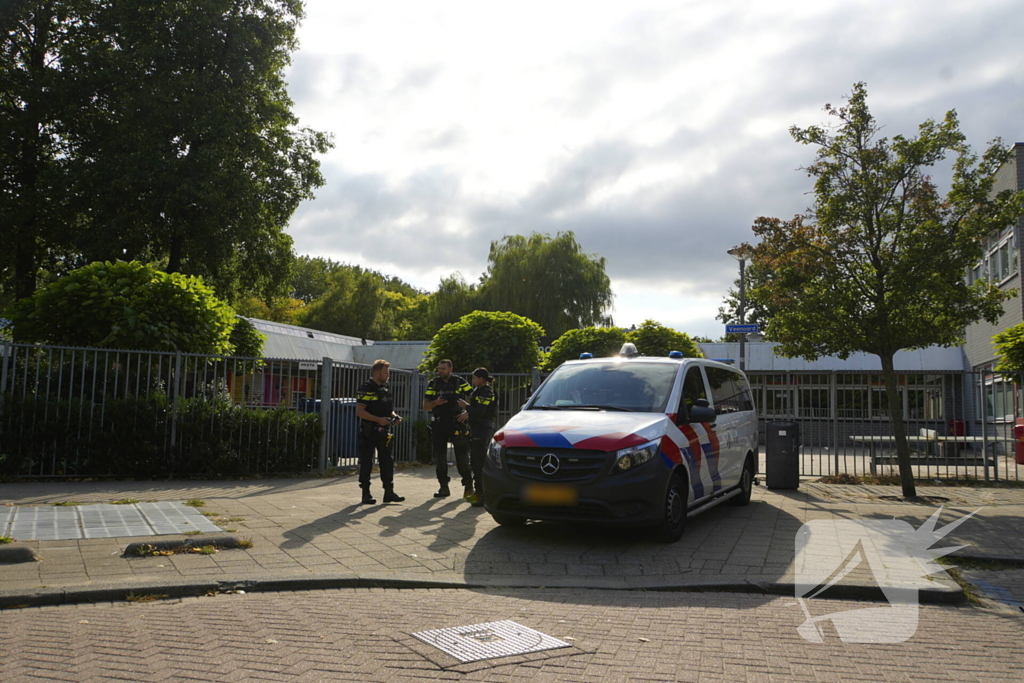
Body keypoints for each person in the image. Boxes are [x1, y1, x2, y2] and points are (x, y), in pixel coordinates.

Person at [354, 359, 405, 505]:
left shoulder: (385, 388)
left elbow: (389, 410)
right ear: (377, 373)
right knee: (366, 462)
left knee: (387, 461)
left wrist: (395, 417)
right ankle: (366, 493)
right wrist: (378, 420)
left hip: (384, 432)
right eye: (386, 372)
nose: (388, 375)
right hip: (369, 432)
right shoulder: (366, 388)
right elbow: (360, 411)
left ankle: (389, 492)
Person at [422, 359, 472, 498]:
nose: (440, 371)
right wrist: (435, 402)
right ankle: (443, 487)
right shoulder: (434, 383)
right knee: (440, 458)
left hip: (457, 423)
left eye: (443, 368)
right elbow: (425, 406)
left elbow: (474, 397)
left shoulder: (459, 381)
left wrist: (468, 412)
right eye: (439, 369)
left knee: (462, 457)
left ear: (450, 369)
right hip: (439, 424)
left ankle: (468, 487)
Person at [457, 367, 497, 507]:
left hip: (483, 429)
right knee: (475, 461)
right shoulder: (479, 391)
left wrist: (466, 406)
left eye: (474, 378)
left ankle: (482, 493)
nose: (473, 381)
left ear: (481, 379)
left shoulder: (486, 392)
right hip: (477, 429)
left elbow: (480, 412)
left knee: (478, 462)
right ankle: (479, 491)